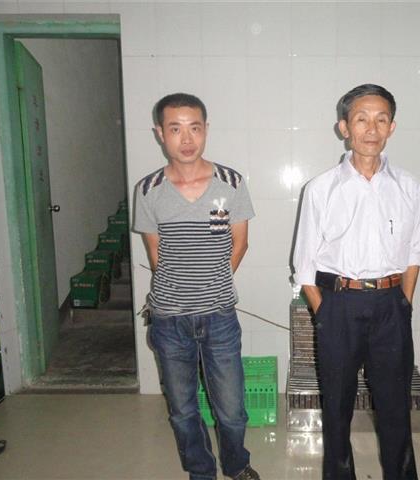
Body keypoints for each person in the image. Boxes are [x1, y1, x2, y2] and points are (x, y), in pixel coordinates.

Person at [293, 84, 420, 480]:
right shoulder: (321, 189)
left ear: (392, 127)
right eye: (361, 119)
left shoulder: (408, 186)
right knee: (337, 408)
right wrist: (325, 311)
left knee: (395, 407)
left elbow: (415, 251)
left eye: (381, 119)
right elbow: (304, 264)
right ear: (344, 128)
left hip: (391, 305)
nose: (371, 128)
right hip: (339, 306)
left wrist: (403, 302)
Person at [134, 93, 259, 480]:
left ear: (206, 130)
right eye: (175, 129)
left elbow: (240, 244)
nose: (186, 139)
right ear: (160, 133)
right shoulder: (148, 189)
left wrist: (211, 284)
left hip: (220, 317)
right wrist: (183, 290)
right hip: (169, 321)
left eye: (194, 128)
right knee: (183, 410)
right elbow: (157, 255)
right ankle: (201, 472)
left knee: (232, 410)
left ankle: (236, 465)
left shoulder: (231, 183)